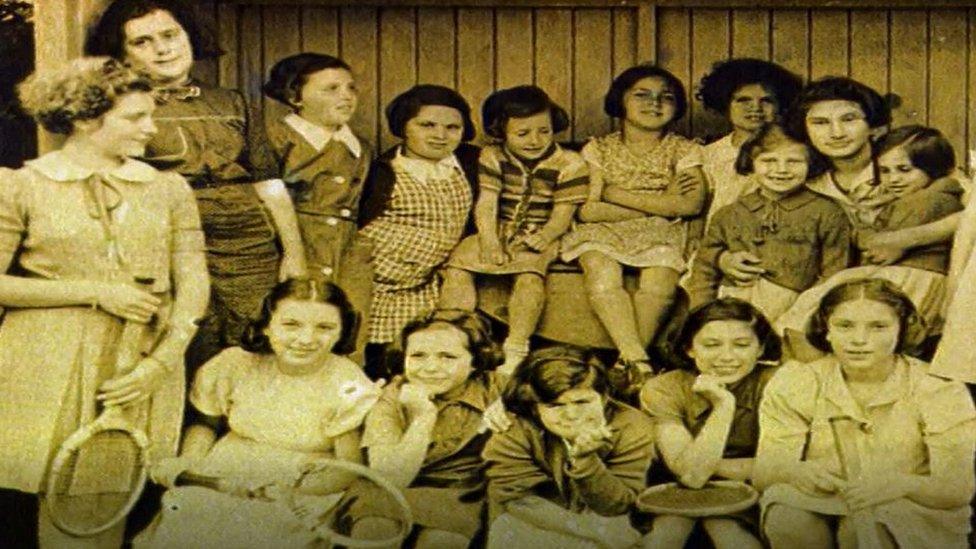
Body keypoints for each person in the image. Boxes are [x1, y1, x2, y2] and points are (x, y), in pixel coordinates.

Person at [0, 56, 208, 547]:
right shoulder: (20, 186)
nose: (151, 129)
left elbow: (194, 281)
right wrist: (97, 292)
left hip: (138, 364)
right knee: (61, 503)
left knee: (112, 495)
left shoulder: (168, 188)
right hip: (48, 361)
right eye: (135, 118)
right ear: (83, 118)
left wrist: (163, 360)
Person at [86, 0, 307, 371]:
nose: (162, 48)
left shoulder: (233, 101)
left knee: (258, 344)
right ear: (120, 54)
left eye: (170, 35)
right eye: (142, 42)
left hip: (248, 243)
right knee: (181, 343)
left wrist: (294, 253)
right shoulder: (117, 109)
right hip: (172, 241)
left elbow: (268, 182)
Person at [137, 279, 381, 548]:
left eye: (324, 327)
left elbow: (347, 468)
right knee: (190, 509)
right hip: (229, 466)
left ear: (341, 331)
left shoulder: (347, 382)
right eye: (291, 325)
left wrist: (290, 492)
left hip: (306, 483)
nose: (306, 339)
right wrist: (189, 466)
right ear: (267, 325)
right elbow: (206, 423)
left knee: (265, 526)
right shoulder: (235, 364)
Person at [755, 278, 975, 549]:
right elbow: (765, 471)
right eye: (845, 326)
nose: (859, 340)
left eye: (878, 327)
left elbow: (956, 489)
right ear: (826, 329)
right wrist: (796, 472)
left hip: (912, 506)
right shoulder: (797, 381)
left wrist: (900, 484)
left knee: (862, 528)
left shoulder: (938, 389)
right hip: (827, 501)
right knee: (787, 516)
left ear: (901, 329)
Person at [557, 65, 707, 384]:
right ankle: (638, 358)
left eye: (665, 97)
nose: (654, 103)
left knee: (661, 279)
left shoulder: (685, 149)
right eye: (642, 95)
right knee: (601, 271)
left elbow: (690, 205)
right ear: (620, 100)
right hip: (604, 231)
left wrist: (616, 194)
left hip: (662, 233)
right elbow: (590, 210)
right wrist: (661, 205)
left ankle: (627, 362)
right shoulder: (598, 148)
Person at [441, 85, 589, 374]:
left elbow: (563, 213)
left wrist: (544, 237)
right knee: (458, 267)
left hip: (545, 232)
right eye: (523, 133)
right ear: (501, 131)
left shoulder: (571, 163)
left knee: (529, 275)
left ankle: (517, 345)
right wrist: (489, 241)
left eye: (543, 131)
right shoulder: (492, 156)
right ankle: (453, 336)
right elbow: (487, 202)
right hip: (497, 227)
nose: (535, 140)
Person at [776, 125, 965, 345]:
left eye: (904, 170)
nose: (894, 179)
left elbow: (876, 246)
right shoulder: (930, 197)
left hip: (908, 278)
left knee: (807, 315)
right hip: (911, 278)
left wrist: (860, 226)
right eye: (885, 171)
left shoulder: (929, 201)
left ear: (933, 169)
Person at [342, 309, 506, 549]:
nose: (430, 368)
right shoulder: (391, 397)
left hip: (457, 491)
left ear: (475, 362)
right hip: (389, 489)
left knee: (443, 541)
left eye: (447, 357)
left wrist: (510, 404)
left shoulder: (497, 388)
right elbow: (392, 477)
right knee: (374, 530)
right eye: (418, 356)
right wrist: (423, 416)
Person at [357, 85, 480, 378]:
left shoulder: (471, 162)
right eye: (427, 125)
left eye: (452, 127)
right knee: (387, 367)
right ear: (404, 127)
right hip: (383, 286)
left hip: (435, 284)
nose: (440, 135)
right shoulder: (382, 171)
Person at [639, 298, 781, 549]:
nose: (726, 356)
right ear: (689, 348)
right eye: (711, 344)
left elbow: (781, 468)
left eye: (741, 345)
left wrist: (704, 464)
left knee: (729, 532)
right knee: (665, 536)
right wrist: (724, 406)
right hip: (678, 489)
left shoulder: (779, 382)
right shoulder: (663, 388)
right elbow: (692, 476)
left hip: (753, 490)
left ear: (760, 349)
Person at [483, 345, 656, 549]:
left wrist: (586, 461)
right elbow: (517, 499)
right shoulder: (512, 425)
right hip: (537, 523)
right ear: (534, 406)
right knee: (506, 528)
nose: (572, 415)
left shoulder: (631, 425)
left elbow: (619, 504)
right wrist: (592, 532)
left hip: (607, 520)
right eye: (555, 405)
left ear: (605, 396)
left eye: (582, 402)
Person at [263, 52, 374, 361]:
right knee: (297, 330)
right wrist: (291, 252)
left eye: (351, 88)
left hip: (348, 253)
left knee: (348, 333)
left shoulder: (360, 147)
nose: (346, 96)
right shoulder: (274, 137)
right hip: (295, 246)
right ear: (295, 97)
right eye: (331, 89)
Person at [686, 124, 851, 321]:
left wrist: (806, 314)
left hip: (795, 310)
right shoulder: (729, 214)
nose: (781, 170)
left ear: (811, 164)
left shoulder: (827, 212)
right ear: (751, 162)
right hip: (730, 306)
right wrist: (701, 314)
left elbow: (834, 273)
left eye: (794, 161)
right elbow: (704, 267)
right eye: (769, 160)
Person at [696, 58, 804, 222]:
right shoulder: (706, 155)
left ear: (780, 106)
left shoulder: (795, 152)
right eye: (743, 100)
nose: (755, 107)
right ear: (725, 104)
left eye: (766, 100)